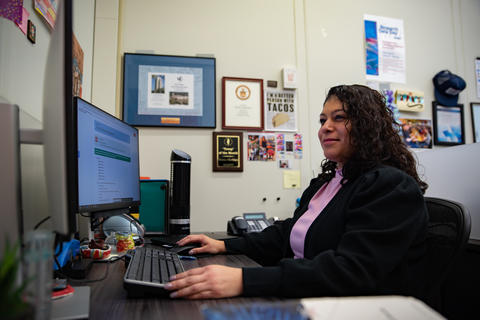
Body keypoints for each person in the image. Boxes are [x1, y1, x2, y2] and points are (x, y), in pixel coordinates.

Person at [165, 84, 429, 300]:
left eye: (339, 118)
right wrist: (223, 244)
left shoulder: (390, 186)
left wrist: (244, 279)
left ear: (367, 126)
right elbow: (286, 233)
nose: (325, 127)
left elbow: (352, 271)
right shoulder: (328, 182)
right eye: (323, 119)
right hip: (313, 297)